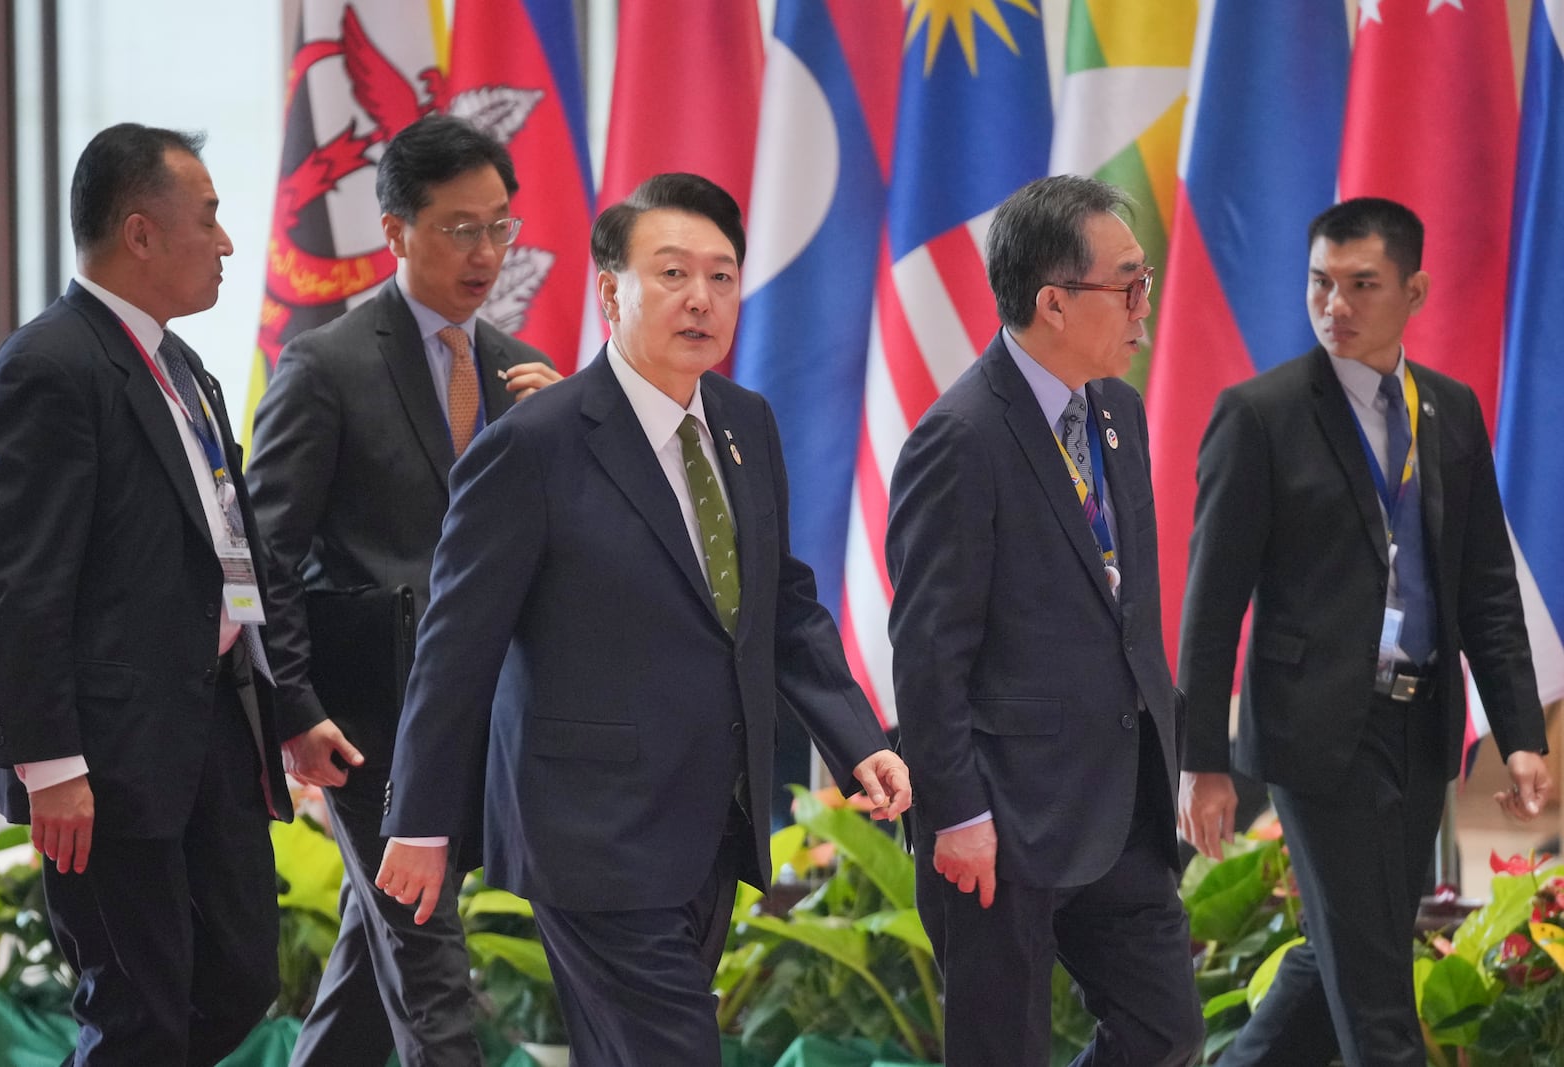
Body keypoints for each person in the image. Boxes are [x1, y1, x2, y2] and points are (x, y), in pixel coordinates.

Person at [373, 172, 911, 1065]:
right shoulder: (534, 443)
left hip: (711, 818)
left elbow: (781, 605)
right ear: (610, 289)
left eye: (722, 276)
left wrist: (860, 738)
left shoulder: (746, 422)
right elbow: (455, 645)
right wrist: (421, 819)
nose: (700, 298)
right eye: (672, 273)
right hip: (589, 832)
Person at [1177, 196, 1553, 1066]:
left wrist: (1521, 735)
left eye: (1361, 284)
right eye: (1320, 282)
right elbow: (1211, 601)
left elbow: (1487, 585)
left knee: (1351, 951)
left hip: (1417, 727)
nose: (1334, 305)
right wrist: (1202, 759)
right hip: (1316, 733)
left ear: (1413, 291)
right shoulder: (1261, 415)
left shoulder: (1451, 412)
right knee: (1378, 1002)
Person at [246, 113, 559, 1067]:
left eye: (500, 226)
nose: (486, 251)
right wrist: (293, 707)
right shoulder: (326, 364)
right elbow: (264, 560)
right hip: (368, 716)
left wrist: (570, 448)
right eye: (460, 228)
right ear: (395, 231)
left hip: (487, 707)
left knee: (375, 949)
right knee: (430, 968)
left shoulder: (519, 370)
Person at [0, 123, 289, 1065]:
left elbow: (230, 549)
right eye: (210, 218)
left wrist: (291, 705)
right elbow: (25, 588)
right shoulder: (50, 366)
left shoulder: (181, 366)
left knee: (239, 979)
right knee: (137, 1012)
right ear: (142, 234)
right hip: (106, 761)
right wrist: (52, 765)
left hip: (210, 741)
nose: (229, 242)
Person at [886, 174, 1203, 1066]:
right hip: (1002, 820)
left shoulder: (1117, 412)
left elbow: (1125, 608)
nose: (1147, 304)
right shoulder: (961, 437)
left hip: (1121, 807)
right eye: (1128, 284)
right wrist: (954, 813)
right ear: (1054, 303)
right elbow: (927, 653)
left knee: (1166, 1030)